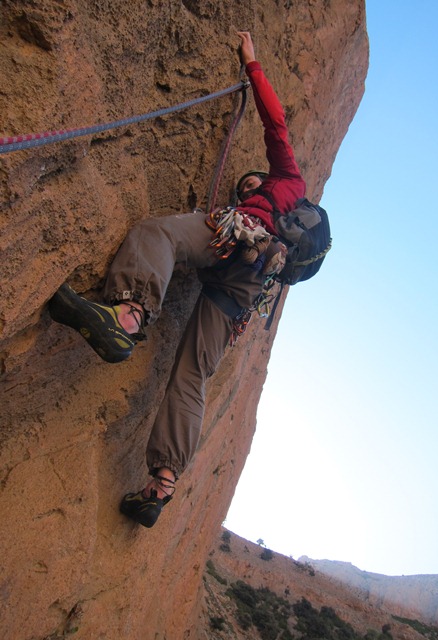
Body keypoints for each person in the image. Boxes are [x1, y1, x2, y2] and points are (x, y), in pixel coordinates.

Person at [49, 32, 306, 528]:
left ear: (266, 182)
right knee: (192, 376)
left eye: (250, 183)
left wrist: (252, 65)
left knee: (159, 234)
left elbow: (276, 125)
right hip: (246, 288)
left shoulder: (285, 182)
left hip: (237, 239)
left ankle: (126, 317)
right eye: (244, 188)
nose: (247, 187)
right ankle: (162, 485)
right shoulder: (282, 212)